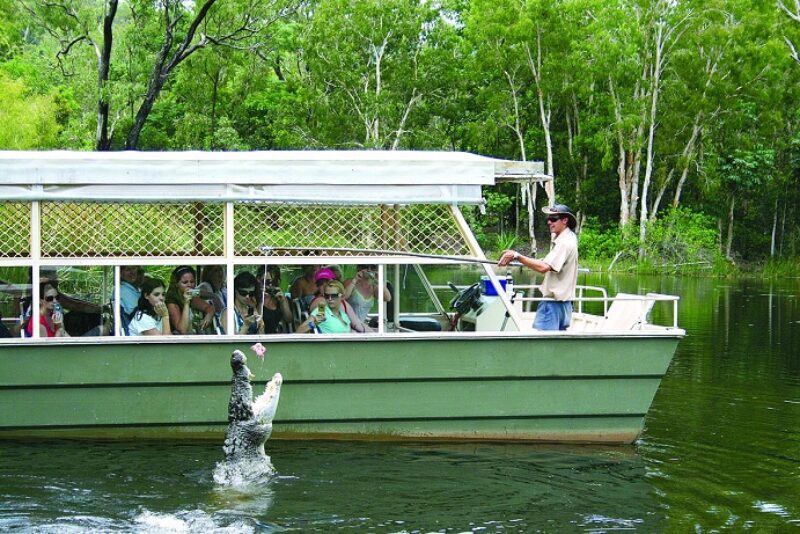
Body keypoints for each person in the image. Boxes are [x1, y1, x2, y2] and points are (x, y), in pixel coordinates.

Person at [498, 204, 579, 331]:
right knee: (556, 343)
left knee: (544, 345)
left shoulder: (564, 242)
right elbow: (545, 263)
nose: (549, 222)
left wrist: (517, 256)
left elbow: (543, 267)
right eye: (549, 218)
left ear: (565, 220)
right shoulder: (569, 238)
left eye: (553, 219)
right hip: (565, 304)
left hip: (553, 304)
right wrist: (520, 258)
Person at [309, 268, 367, 332]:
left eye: (328, 282)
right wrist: (313, 323)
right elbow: (317, 320)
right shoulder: (320, 302)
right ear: (318, 287)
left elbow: (357, 324)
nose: (325, 285)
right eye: (321, 283)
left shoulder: (342, 305)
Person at [165, 266, 215, 335]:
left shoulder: (191, 296)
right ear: (176, 284)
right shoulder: (171, 303)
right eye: (185, 282)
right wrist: (186, 303)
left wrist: (208, 316)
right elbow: (182, 330)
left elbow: (209, 308)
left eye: (192, 282)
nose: (190, 285)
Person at [222, 271, 265, 335]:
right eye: (243, 293)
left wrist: (261, 326)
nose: (247, 297)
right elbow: (232, 342)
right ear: (235, 291)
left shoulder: (251, 310)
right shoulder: (228, 313)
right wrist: (246, 325)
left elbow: (261, 337)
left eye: (251, 293)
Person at [256, 265, 292, 334]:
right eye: (267, 282)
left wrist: (283, 301)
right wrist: (261, 300)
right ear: (258, 280)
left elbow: (289, 319)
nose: (270, 285)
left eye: (274, 282)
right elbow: (257, 323)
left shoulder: (280, 298)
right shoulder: (252, 297)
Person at [117, 265, 142, 335]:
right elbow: (136, 314)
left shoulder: (134, 289)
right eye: (128, 270)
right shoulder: (123, 290)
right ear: (120, 273)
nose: (132, 272)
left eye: (134, 268)